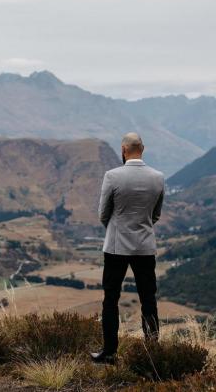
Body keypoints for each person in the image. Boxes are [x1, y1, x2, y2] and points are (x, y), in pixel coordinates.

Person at [91, 132, 165, 363]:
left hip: (116, 247)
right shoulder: (158, 177)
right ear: (143, 148)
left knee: (110, 298)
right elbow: (156, 214)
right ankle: (151, 350)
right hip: (144, 246)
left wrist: (115, 228)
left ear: (123, 150)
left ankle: (109, 352)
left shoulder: (112, 176)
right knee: (148, 298)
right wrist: (141, 226)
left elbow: (103, 213)